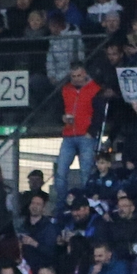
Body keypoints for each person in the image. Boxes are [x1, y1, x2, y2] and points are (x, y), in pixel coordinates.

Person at [56, 63, 101, 209]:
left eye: (79, 76)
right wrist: (62, 117)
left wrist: (91, 132)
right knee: (60, 173)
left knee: (86, 173)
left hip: (85, 135)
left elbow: (99, 114)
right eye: (73, 76)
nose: (76, 79)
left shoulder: (95, 89)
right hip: (68, 134)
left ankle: (85, 204)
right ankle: (62, 205)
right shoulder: (65, 89)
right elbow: (59, 108)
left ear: (85, 74)